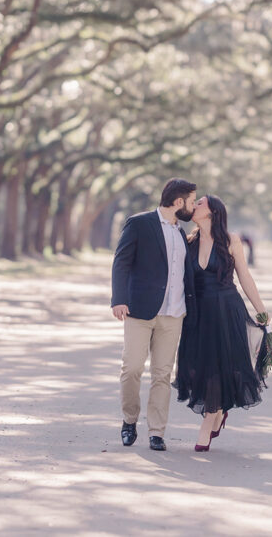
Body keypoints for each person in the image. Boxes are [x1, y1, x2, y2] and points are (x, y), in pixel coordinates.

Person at [175, 195, 271, 452]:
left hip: (227, 309)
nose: (193, 206)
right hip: (198, 313)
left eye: (199, 203)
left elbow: (245, 277)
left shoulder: (231, 241)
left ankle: (209, 420)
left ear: (212, 212)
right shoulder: (188, 241)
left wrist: (261, 310)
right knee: (196, 367)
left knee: (219, 366)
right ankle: (217, 412)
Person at [110, 178, 197, 452]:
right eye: (192, 201)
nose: (193, 207)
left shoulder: (182, 233)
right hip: (139, 310)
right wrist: (119, 299)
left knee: (162, 375)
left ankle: (156, 432)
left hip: (173, 314)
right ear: (179, 202)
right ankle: (129, 420)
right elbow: (121, 261)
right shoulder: (139, 223)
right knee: (132, 368)